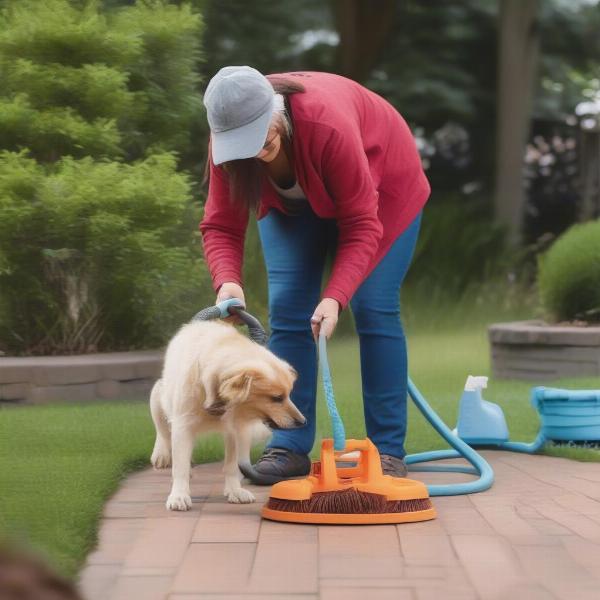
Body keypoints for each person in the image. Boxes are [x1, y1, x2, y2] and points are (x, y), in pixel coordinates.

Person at [200, 66, 430, 482]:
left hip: (382, 189)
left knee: (372, 304)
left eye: (262, 139)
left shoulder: (325, 124)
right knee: (288, 308)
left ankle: (388, 451)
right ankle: (287, 446)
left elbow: (362, 223)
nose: (254, 153)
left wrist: (335, 296)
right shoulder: (227, 140)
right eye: (243, 146)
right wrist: (227, 281)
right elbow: (221, 225)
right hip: (293, 208)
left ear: (275, 113)